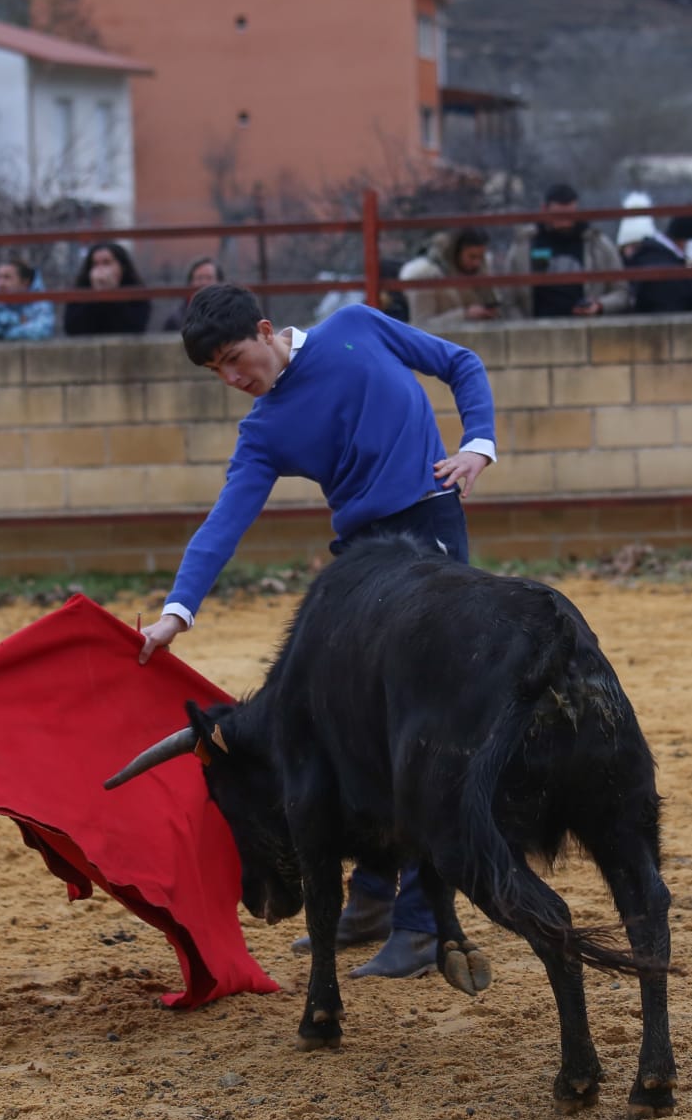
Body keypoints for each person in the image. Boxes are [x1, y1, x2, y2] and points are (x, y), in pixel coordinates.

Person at [137, 282, 497, 980]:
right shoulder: (263, 431)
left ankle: (422, 924)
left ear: (267, 330)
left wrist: (477, 443)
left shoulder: (357, 326)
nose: (234, 379)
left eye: (236, 359)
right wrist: (177, 612)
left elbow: (461, 363)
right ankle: (367, 900)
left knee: (422, 734)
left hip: (431, 539)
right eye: (218, 373)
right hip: (361, 562)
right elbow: (224, 523)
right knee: (355, 729)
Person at [503, 182, 629, 318]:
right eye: (558, 215)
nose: (565, 222)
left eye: (570, 215)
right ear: (544, 210)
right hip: (537, 329)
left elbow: (622, 292)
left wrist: (599, 305)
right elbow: (509, 298)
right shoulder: (524, 244)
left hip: (587, 329)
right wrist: (523, 328)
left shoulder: (597, 244)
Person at [397, 228, 509, 328]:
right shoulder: (424, 274)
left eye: (481, 257)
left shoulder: (482, 269)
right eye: (472, 257)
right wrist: (465, 314)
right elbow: (420, 326)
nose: (477, 263)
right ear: (455, 252)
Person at [63, 242, 152, 337]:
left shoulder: (136, 292)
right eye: (95, 264)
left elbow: (135, 328)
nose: (100, 269)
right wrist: (95, 296)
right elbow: (72, 329)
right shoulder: (79, 292)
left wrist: (113, 295)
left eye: (107, 263)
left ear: (122, 267)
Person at [162, 257, 225, 332]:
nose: (204, 282)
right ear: (190, 283)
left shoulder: (229, 316)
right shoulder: (175, 320)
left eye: (209, 278)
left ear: (219, 282)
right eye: (199, 278)